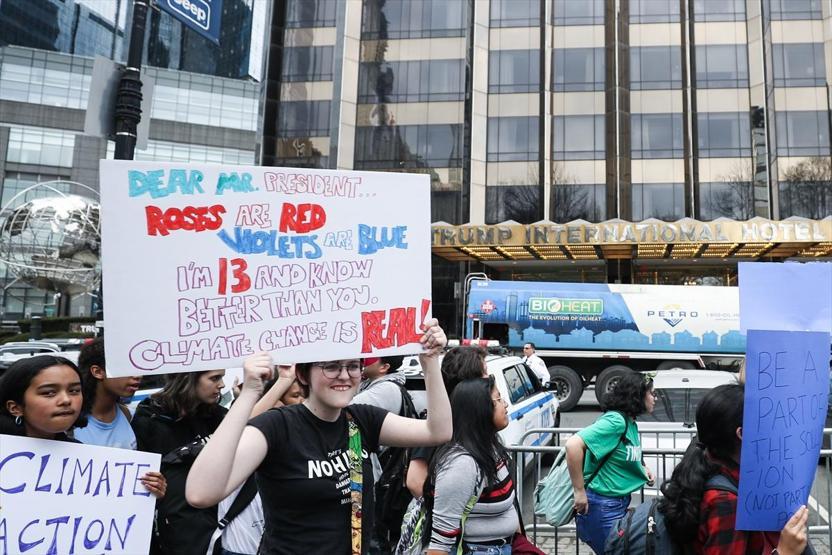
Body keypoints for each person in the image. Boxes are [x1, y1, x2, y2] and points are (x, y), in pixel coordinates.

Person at [185, 319, 453, 555]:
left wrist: (430, 362)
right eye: (331, 367)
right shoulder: (278, 426)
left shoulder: (362, 419)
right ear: (303, 374)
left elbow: (438, 431)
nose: (344, 376)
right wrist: (250, 392)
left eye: (353, 366)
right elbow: (200, 493)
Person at [659, 384, 809, 554]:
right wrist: (785, 551)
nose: (771, 432)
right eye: (764, 423)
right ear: (742, 433)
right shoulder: (725, 501)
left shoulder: (706, 466)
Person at [0, 354, 165, 500]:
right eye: (49, 392)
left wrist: (146, 492)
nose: (66, 400)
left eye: (74, 390)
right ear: (15, 407)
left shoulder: (84, 459)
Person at [132, 368, 228, 554]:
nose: (222, 385)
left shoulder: (215, 414)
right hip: (176, 531)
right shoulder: (150, 418)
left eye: (222, 377)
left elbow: (247, 425)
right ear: (189, 378)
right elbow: (140, 481)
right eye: (215, 378)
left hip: (216, 523)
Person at [424, 377, 519, 554]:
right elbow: (440, 544)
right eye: (498, 399)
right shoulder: (461, 465)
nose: (505, 404)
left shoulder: (490, 447)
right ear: (480, 410)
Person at [565, 371, 656, 554]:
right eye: (652, 393)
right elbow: (572, 445)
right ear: (638, 395)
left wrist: (642, 468)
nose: (655, 398)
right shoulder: (616, 421)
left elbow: (623, 453)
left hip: (616, 505)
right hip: (603, 507)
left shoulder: (630, 422)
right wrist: (579, 491)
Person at [73, 338, 167, 497]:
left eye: (138, 367)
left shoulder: (130, 416)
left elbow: (139, 479)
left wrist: (156, 486)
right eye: (125, 368)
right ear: (97, 372)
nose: (138, 375)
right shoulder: (69, 423)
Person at [406, 345, 489, 498]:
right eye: (484, 373)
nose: (488, 378)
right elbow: (415, 481)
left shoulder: (475, 416)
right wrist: (448, 508)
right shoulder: (438, 420)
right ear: (469, 381)